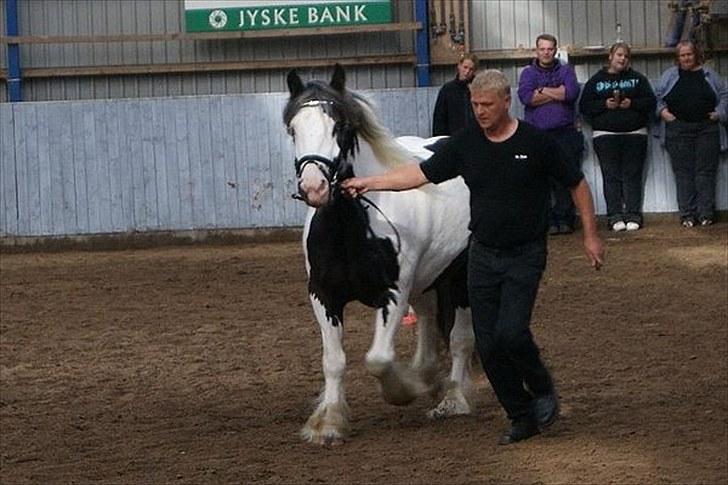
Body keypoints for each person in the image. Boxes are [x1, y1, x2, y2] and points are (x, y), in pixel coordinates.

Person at [342, 70, 604, 445]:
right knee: (490, 343)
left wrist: (591, 236)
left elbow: (576, 183)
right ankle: (520, 414)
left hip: (525, 254)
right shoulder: (466, 144)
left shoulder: (536, 142)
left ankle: (542, 386)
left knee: (512, 333)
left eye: (486, 104)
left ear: (505, 101)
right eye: (474, 104)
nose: (479, 111)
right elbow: (419, 174)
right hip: (482, 255)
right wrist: (369, 182)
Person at [579, 42, 657, 232]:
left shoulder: (638, 80)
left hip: (635, 134)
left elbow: (650, 103)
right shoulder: (596, 80)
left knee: (633, 175)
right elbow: (584, 107)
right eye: (619, 55)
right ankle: (614, 216)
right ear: (610, 57)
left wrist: (632, 103)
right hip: (605, 135)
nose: (623, 59)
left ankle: (633, 215)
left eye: (626, 56)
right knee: (611, 176)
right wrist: (605, 105)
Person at [517, 34, 583, 235]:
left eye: (550, 49)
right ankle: (546, 221)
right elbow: (527, 98)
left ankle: (565, 219)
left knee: (564, 178)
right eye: (542, 49)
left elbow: (571, 94)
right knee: (540, 179)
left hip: (565, 133)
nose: (546, 52)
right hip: (538, 135)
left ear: (555, 50)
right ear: (536, 50)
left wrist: (543, 90)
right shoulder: (527, 73)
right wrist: (557, 93)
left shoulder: (565, 70)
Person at [656, 40, 727, 227]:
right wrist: (663, 112)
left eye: (689, 54)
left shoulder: (710, 74)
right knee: (683, 173)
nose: (686, 58)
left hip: (707, 129)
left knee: (705, 172)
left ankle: (706, 214)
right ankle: (687, 214)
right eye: (682, 55)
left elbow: (725, 94)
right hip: (678, 129)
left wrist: (719, 113)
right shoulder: (669, 76)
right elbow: (656, 97)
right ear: (677, 58)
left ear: (696, 55)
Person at [432, 53, 479, 136]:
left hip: (475, 138)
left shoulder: (479, 89)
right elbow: (439, 118)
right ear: (459, 66)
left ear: (474, 71)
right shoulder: (447, 89)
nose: (467, 72)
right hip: (453, 139)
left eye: (471, 69)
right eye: (465, 67)